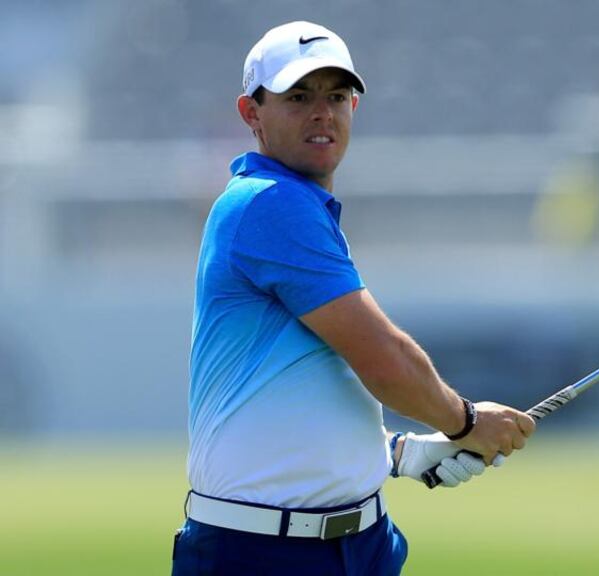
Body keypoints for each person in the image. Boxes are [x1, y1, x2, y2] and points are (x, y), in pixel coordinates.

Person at [172, 20, 535, 575]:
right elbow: (385, 361)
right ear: (251, 113)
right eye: (299, 97)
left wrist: (397, 452)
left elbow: (306, 389)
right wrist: (465, 421)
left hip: (360, 544)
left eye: (337, 96)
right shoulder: (269, 203)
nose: (323, 112)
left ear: (354, 107)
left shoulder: (294, 205)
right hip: (262, 552)